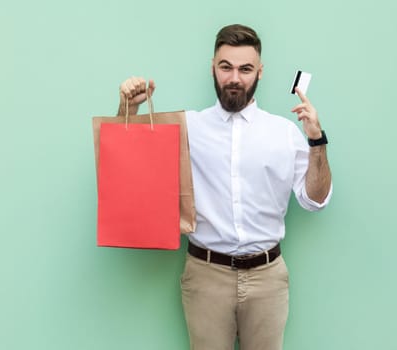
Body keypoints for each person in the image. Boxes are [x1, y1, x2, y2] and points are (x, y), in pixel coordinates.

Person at [117, 24, 332, 350]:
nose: (234, 78)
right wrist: (128, 109)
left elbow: (315, 200)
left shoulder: (284, 133)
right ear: (213, 69)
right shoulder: (187, 127)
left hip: (267, 278)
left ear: (259, 72)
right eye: (226, 67)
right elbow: (130, 160)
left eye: (245, 69)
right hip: (206, 275)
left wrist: (316, 140)